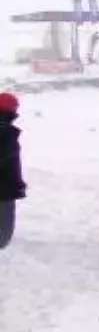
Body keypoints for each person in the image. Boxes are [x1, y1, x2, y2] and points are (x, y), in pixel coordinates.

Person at [0, 92, 26, 250]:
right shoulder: (6, 134)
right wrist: (17, 186)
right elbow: (9, 165)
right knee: (3, 235)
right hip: (4, 192)